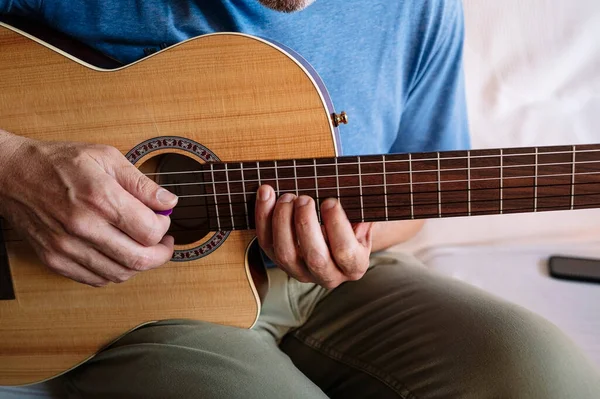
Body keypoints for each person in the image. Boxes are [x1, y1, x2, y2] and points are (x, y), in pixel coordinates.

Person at [0, 0, 599, 397]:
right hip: (127, 300)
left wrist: (358, 237)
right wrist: (17, 167)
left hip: (340, 285)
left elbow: (417, 197)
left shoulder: (421, 7)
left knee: (551, 377)